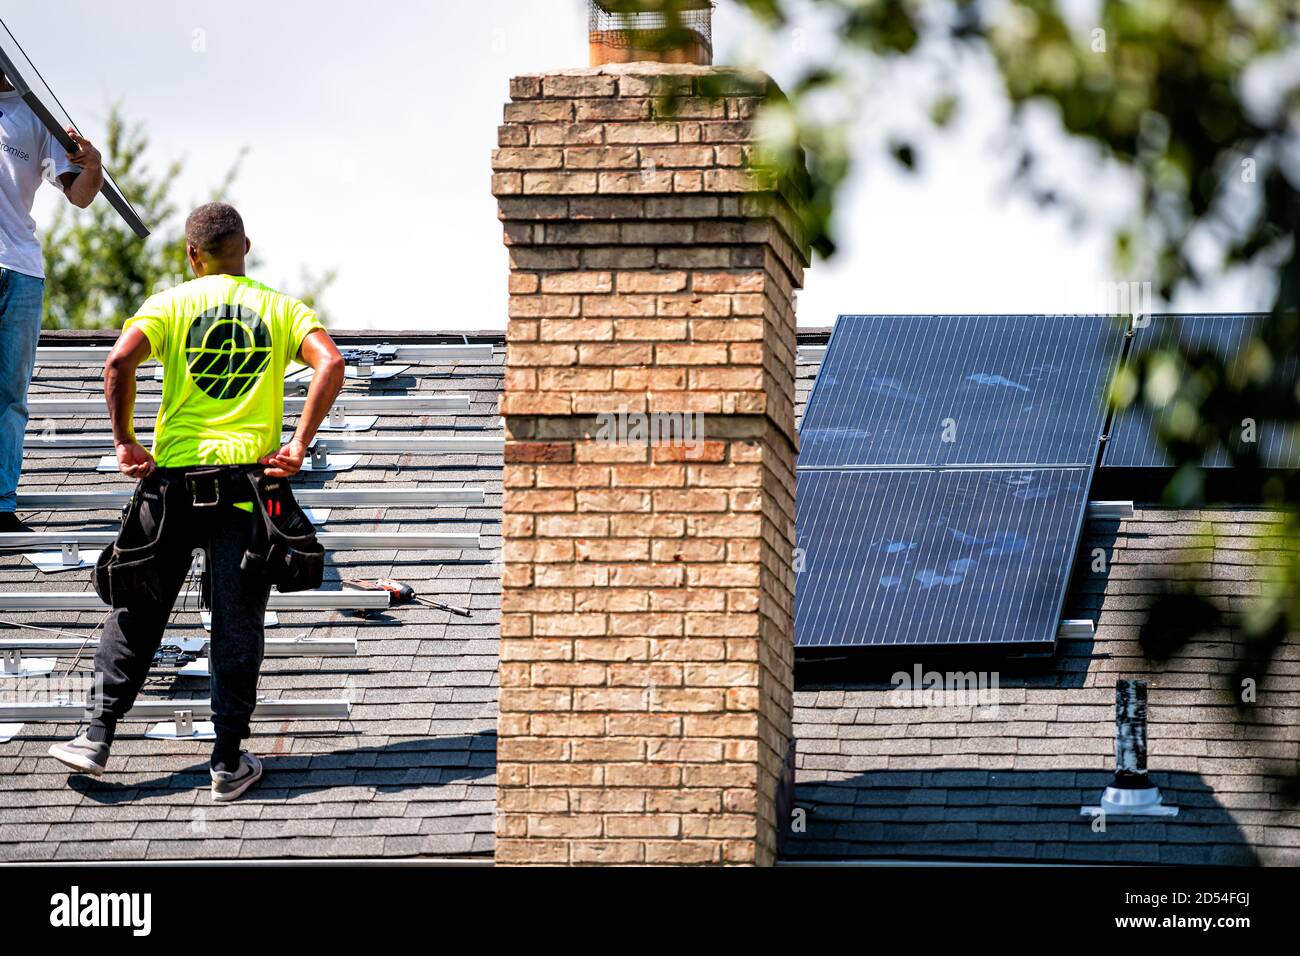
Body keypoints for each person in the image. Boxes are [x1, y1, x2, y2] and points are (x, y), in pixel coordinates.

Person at [48, 202, 345, 802]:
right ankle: (227, 762)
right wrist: (298, 445)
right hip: (243, 492)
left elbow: (118, 361)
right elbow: (331, 362)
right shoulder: (280, 308)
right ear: (246, 247)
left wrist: (125, 440)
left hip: (173, 485)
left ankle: (95, 738)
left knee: (138, 606)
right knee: (237, 623)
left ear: (192, 254)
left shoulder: (168, 305)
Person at [0, 69, 105, 531]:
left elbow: (79, 196)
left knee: (10, 396)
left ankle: (1, 504)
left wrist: (94, 166)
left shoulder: (36, 116)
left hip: (21, 269)